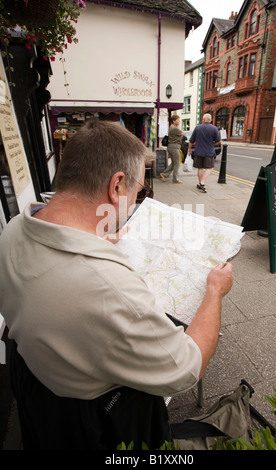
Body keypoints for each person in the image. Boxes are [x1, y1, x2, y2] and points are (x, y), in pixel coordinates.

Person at [0, 120, 233, 450]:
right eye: (139, 191)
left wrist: (95, 237)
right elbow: (186, 367)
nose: (137, 201)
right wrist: (214, 291)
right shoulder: (113, 291)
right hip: (96, 425)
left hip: (38, 396)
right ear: (118, 185)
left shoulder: (11, 231)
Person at [188, 114, 221, 193]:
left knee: (200, 167)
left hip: (198, 151)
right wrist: (212, 144)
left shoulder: (198, 128)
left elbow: (191, 141)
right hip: (209, 152)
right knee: (210, 168)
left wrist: (189, 149)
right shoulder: (214, 128)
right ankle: (202, 183)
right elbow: (218, 141)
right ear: (210, 120)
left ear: (203, 119)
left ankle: (200, 183)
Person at [160, 114, 184, 184]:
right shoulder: (175, 129)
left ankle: (164, 174)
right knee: (177, 163)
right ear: (173, 121)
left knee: (174, 163)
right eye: (178, 120)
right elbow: (183, 133)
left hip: (171, 147)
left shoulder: (170, 127)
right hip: (174, 148)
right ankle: (175, 179)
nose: (179, 121)